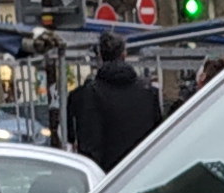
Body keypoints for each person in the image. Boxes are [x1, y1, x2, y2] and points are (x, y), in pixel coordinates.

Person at [62, 31, 163, 171]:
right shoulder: (149, 94)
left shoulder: (83, 96)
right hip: (143, 174)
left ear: (99, 57)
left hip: (104, 180)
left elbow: (74, 139)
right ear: (124, 55)